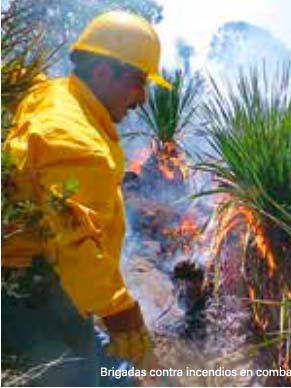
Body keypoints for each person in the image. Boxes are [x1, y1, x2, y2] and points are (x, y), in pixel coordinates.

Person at [2, 11, 171, 386]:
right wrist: (122, 316)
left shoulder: (55, 94)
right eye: (137, 81)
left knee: (117, 377)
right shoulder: (76, 141)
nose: (143, 97)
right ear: (103, 74)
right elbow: (78, 246)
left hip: (45, 286)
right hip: (33, 299)